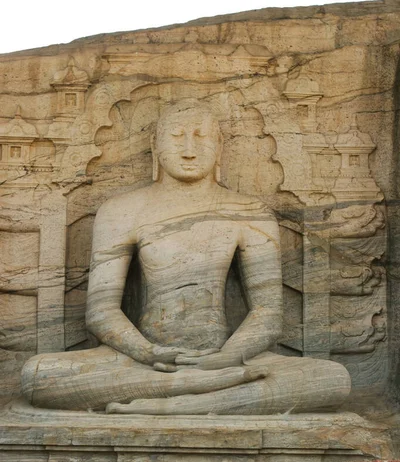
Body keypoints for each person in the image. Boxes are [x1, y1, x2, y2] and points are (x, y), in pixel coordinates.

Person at [21, 99, 351, 414]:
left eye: (201, 138)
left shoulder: (249, 212)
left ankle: (180, 401)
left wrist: (226, 358)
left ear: (220, 146)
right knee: (38, 376)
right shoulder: (121, 210)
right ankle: (209, 393)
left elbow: (267, 314)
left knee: (333, 379)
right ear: (155, 146)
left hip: (226, 358)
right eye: (176, 137)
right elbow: (101, 311)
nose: (189, 150)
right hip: (141, 360)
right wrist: (147, 352)